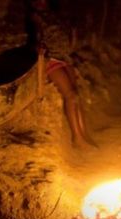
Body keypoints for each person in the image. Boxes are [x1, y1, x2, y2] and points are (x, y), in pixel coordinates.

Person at [26, 0, 97, 149]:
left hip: (65, 57)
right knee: (70, 95)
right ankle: (77, 138)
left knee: (77, 95)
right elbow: (33, 39)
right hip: (51, 59)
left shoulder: (55, 14)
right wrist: (39, 49)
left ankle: (84, 135)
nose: (41, 2)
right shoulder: (35, 17)